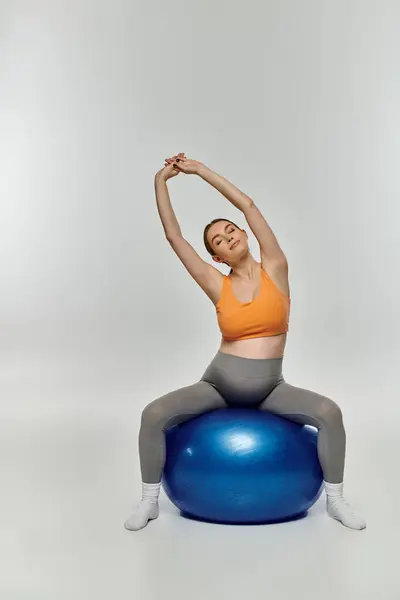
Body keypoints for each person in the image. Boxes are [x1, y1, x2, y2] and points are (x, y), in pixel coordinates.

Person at [124, 152, 366, 532]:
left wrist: (199, 171)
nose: (227, 237)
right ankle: (149, 501)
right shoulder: (216, 284)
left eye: (230, 229)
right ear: (216, 257)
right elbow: (175, 237)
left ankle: (335, 500)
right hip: (219, 384)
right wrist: (160, 182)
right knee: (153, 415)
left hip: (270, 388)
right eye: (218, 240)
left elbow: (248, 204)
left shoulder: (276, 268)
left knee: (329, 413)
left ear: (245, 234)